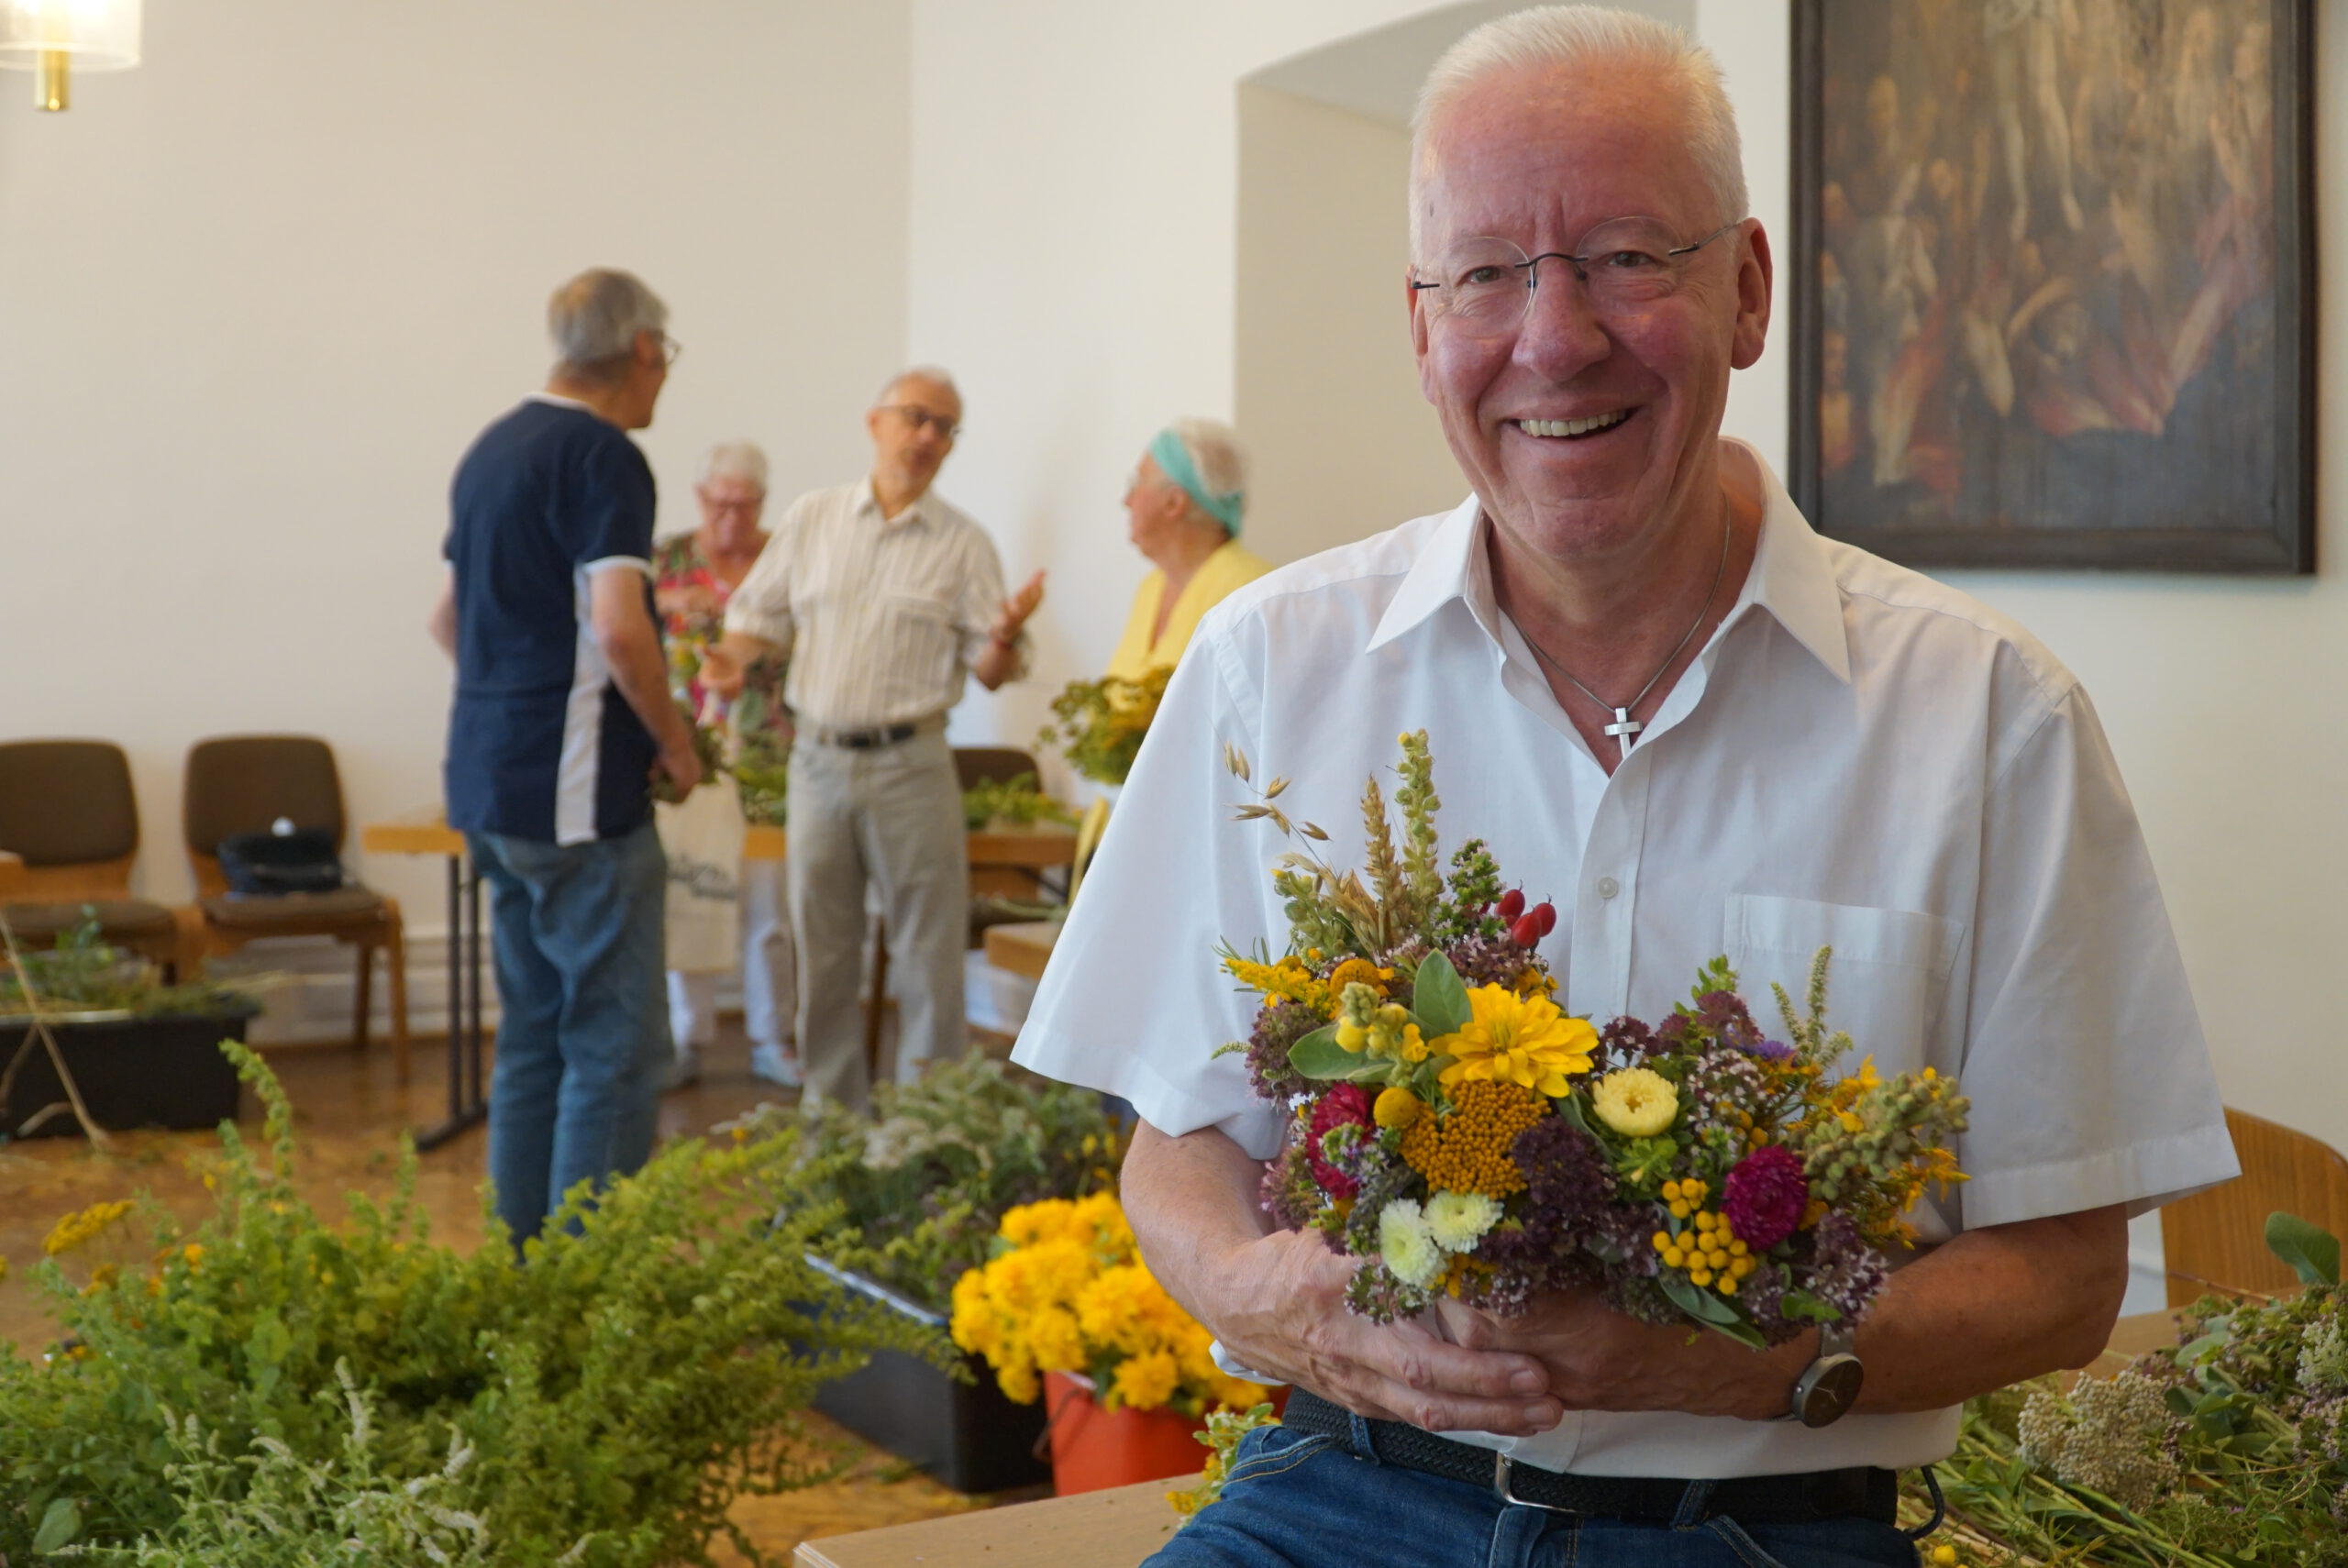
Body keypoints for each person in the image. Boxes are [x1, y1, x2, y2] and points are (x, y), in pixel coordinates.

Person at [1011, 10, 2237, 1566]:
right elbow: (1174, 1141)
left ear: (1748, 290)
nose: (1554, 336)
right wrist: (1271, 1303)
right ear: (1419, 324)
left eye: (1624, 256)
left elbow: (2065, 1272)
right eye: (1489, 274)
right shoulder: (1271, 669)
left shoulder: (1987, 718)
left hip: (1759, 1526)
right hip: (1341, 1495)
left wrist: (1736, 1362)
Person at [430, 266, 702, 1248]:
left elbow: (449, 620)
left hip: (489, 783)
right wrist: (673, 743)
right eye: (664, 357)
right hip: (577, 800)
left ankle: (522, 1266)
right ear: (639, 350)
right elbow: (621, 629)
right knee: (619, 1050)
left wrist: (517, 709)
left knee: (536, 1037)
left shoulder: (490, 450)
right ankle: (588, 1293)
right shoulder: (602, 456)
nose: (664, 377)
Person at [701, 369, 1046, 1114]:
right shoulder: (812, 518)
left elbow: (990, 672)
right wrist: (731, 661)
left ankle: (928, 1129)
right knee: (820, 955)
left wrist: (1007, 639)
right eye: (916, 418)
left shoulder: (965, 545)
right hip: (817, 763)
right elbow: (756, 619)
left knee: (928, 958)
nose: (928, 437)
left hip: (912, 765)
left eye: (944, 427)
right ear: (876, 422)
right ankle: (833, 1127)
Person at [653, 438, 801, 1091]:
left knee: (770, 911)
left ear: (763, 503)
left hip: (771, 756)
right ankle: (686, 1035)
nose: (732, 519)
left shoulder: (787, 558)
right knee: (692, 891)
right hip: (690, 757)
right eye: (721, 505)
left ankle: (773, 1037)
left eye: (745, 506)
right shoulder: (668, 562)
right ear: (700, 499)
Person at [1104, 419, 1272, 682]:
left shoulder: (1251, 590)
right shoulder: (1151, 588)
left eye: (1137, 484)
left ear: (1174, 503)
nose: (1127, 501)